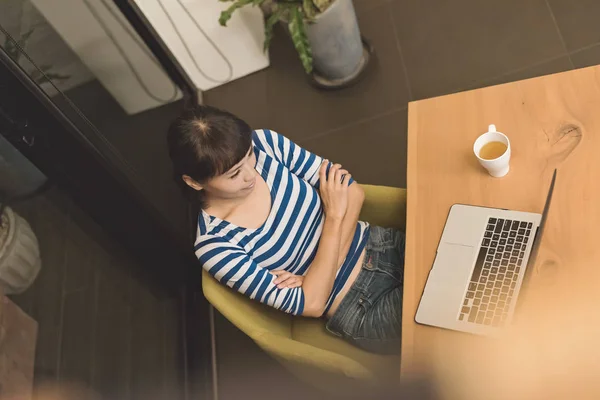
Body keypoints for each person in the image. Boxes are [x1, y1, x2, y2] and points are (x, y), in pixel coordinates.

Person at [167, 105, 404, 354]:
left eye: (249, 156)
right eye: (234, 174)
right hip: (359, 305)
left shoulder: (266, 143)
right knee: (441, 312)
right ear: (194, 182)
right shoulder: (215, 245)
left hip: (383, 243)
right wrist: (333, 217)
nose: (251, 174)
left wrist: (314, 276)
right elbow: (311, 304)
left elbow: (353, 193)